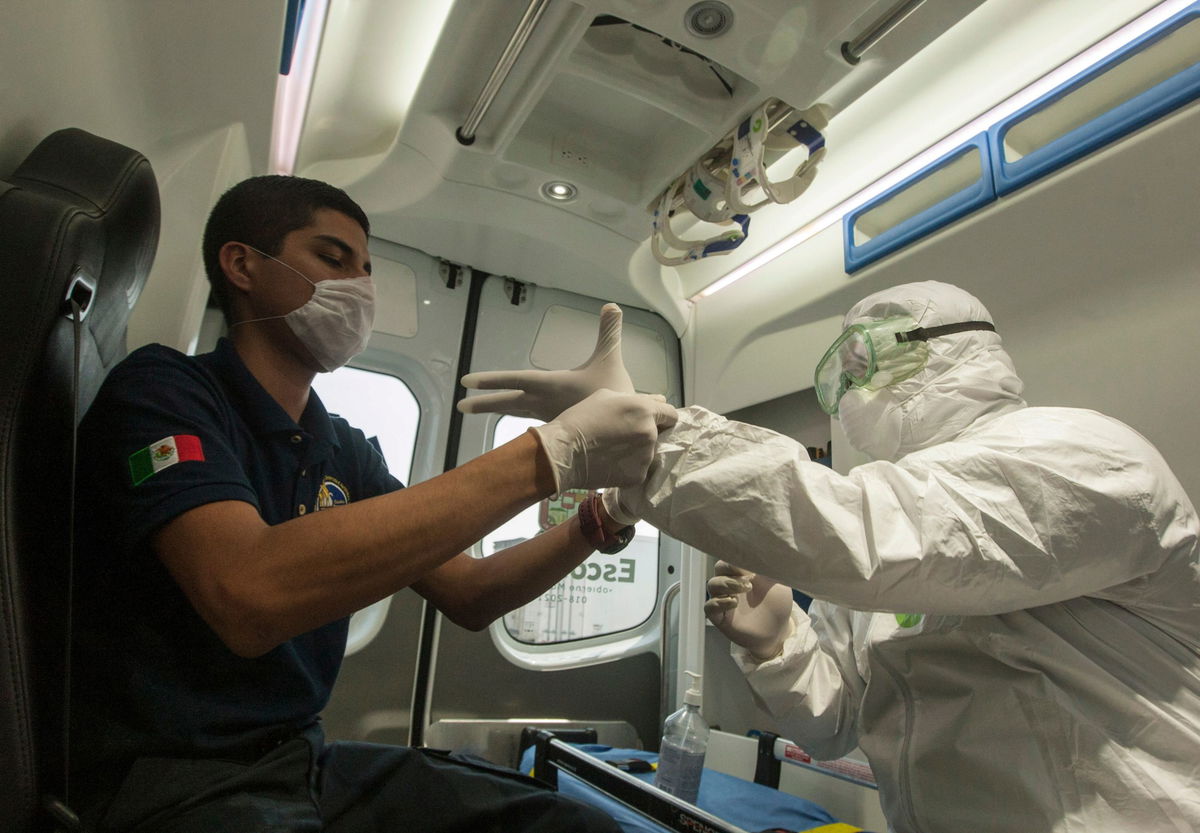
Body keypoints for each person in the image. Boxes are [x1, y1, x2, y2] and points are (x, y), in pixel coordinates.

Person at [460, 280, 1200, 832]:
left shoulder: (1079, 455)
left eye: (858, 361)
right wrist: (781, 647)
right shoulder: (905, 503)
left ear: (945, 349)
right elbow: (840, 719)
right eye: (835, 377)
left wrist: (655, 437)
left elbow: (866, 539)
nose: (846, 392)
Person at [70, 174, 676, 832]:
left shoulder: (341, 448)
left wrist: (602, 517)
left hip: (301, 761)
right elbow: (247, 591)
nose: (359, 288)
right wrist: (553, 452)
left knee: (574, 826)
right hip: (175, 780)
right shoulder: (165, 390)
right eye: (332, 259)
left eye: (366, 271)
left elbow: (470, 591)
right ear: (241, 263)